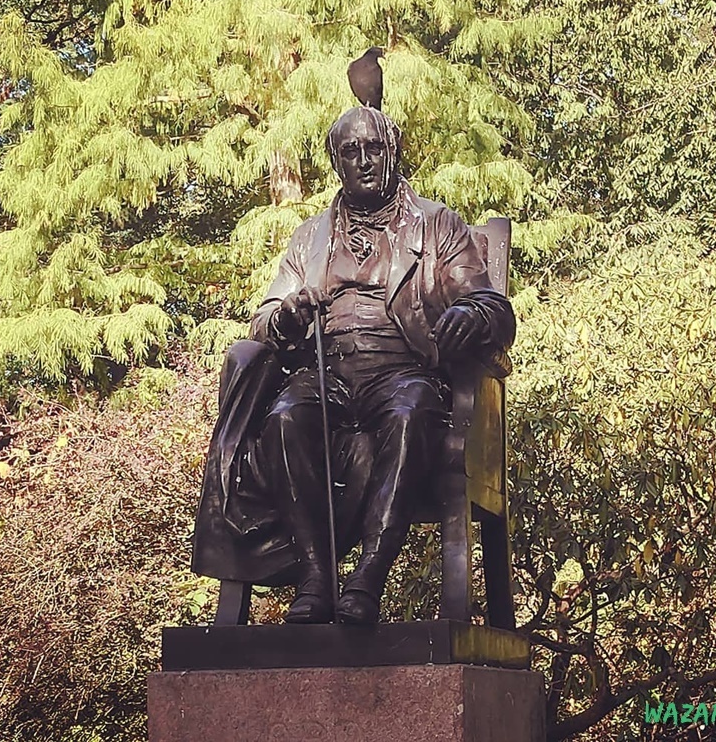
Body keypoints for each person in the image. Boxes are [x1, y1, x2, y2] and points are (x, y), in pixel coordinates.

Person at [191, 106, 515, 624]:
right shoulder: (310, 238)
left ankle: (368, 579)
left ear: (393, 151)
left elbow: (494, 308)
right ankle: (317, 577)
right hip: (326, 373)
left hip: (403, 372)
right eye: (350, 152)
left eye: (374, 149)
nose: (364, 161)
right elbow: (264, 319)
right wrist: (287, 317)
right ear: (336, 162)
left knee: (411, 414)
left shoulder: (436, 225)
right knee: (282, 419)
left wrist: (467, 314)